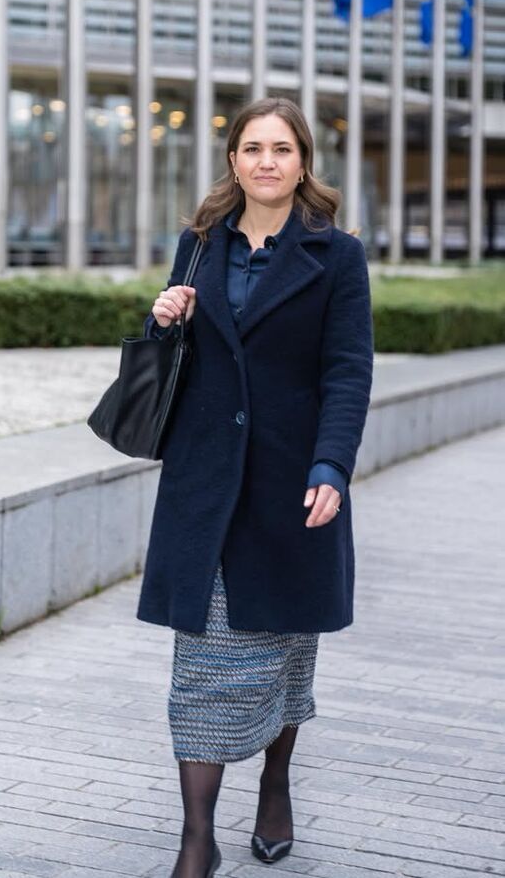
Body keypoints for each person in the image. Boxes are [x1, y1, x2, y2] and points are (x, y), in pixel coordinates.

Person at [137, 96, 374, 878]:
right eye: (252, 148)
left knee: (284, 649)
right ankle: (195, 839)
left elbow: (348, 371)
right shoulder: (199, 244)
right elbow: (173, 357)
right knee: (201, 664)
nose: (266, 161)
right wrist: (164, 318)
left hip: (291, 483)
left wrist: (331, 466)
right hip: (206, 484)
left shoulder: (337, 256)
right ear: (233, 161)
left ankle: (275, 783)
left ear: (303, 161)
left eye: (281, 148)